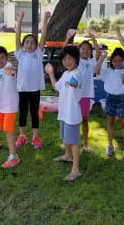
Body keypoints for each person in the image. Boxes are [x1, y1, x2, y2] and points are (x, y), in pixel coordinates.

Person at [45, 46, 83, 181]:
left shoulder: (77, 74)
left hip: (72, 114)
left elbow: (75, 83)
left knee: (73, 141)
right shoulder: (66, 74)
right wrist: (50, 73)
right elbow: (57, 87)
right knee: (66, 138)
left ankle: (76, 169)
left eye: (70, 59)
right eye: (64, 59)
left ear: (76, 60)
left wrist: (74, 84)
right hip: (64, 112)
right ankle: (67, 155)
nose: (67, 61)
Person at [14, 10, 50, 149]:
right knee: (23, 112)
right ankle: (22, 136)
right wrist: (20, 20)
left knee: (34, 113)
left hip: (34, 89)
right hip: (22, 89)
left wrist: (45, 20)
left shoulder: (38, 54)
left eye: (32, 43)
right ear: (23, 45)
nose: (29, 44)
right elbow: (17, 36)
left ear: (36, 45)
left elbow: (44, 35)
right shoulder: (20, 54)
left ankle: (35, 137)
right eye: (27, 42)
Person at [62, 29, 101, 152]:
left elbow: (98, 53)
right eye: (83, 48)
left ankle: (85, 144)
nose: (86, 50)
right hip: (73, 95)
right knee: (69, 119)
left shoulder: (91, 62)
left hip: (85, 96)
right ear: (78, 51)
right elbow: (64, 52)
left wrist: (93, 39)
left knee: (84, 120)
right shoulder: (76, 62)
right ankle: (67, 142)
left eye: (88, 49)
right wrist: (68, 38)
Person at [95, 48, 124, 158]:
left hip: (121, 98)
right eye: (114, 61)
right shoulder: (108, 71)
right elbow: (97, 71)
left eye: (120, 60)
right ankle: (110, 145)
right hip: (110, 98)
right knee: (110, 122)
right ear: (111, 61)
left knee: (123, 123)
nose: (117, 63)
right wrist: (101, 58)